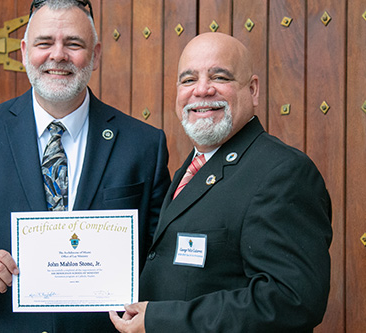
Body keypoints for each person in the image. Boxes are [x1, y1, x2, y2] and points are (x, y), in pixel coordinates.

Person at [0, 0, 170, 332]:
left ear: (95, 54)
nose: (57, 55)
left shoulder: (143, 144)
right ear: (25, 50)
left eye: (73, 43)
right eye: (44, 43)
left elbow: (158, 251)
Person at [110, 32, 332, 332]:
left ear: (253, 90)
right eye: (188, 80)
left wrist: (161, 320)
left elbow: (291, 300)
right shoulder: (193, 168)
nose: (202, 90)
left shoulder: (282, 173)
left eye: (219, 77)